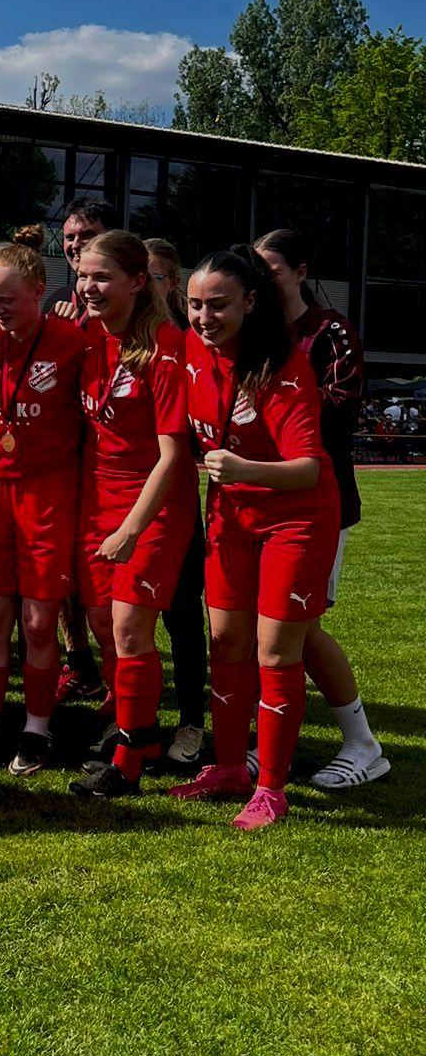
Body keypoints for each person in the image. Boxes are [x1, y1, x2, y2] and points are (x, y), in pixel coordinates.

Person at [172, 245, 341, 830]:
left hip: (295, 522)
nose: (203, 317)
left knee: (275, 653)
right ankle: (227, 768)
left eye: (217, 305)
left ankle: (271, 786)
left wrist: (243, 470)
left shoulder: (284, 366)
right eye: (193, 305)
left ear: (250, 301)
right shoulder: (193, 348)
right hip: (231, 517)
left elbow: (310, 469)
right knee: (226, 645)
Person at [255, 227, 387, 788]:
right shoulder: (253, 329)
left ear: (301, 272)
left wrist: (265, 409)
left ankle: (364, 745)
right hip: (254, 501)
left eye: (274, 269)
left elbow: (337, 411)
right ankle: (267, 740)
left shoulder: (331, 333)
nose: (264, 280)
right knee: (258, 628)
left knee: (297, 631)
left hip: (318, 502)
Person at [67, 232, 197, 798]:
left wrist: (130, 528)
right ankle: (137, 732)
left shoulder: (167, 345)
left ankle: (127, 762)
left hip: (153, 504)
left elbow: (174, 457)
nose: (89, 287)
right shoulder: (88, 337)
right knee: (104, 628)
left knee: (130, 626)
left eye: (102, 277)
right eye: (84, 275)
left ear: (137, 283)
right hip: (97, 499)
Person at [0, 240, 85, 776]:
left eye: (8, 299)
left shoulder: (73, 343)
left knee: (38, 621)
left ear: (37, 291)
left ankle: (36, 730)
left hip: (47, 495)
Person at [143, 235, 208, 769]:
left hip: (176, 501)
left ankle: (191, 718)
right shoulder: (114, 337)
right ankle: (129, 716)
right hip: (118, 495)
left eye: (160, 275)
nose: (150, 284)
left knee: (182, 615)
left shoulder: (191, 341)